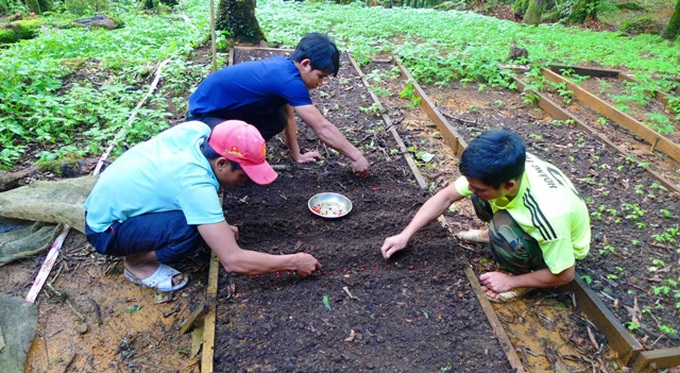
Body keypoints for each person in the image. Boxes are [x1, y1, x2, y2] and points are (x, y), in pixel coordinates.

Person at [84, 120, 321, 292]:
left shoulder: (197, 131)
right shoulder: (195, 185)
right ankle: (137, 264)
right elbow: (233, 261)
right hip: (106, 230)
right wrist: (294, 261)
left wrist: (221, 227)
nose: (245, 181)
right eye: (243, 175)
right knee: (190, 231)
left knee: (203, 225)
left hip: (108, 204)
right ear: (221, 163)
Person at [380, 130, 590, 302]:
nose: (471, 188)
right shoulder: (505, 169)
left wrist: (510, 283)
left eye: (479, 187)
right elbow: (446, 196)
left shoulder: (549, 215)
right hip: (529, 216)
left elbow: (565, 275)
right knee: (481, 200)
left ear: (509, 185)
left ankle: (524, 275)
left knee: (502, 227)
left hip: (560, 245)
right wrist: (405, 235)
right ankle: (494, 234)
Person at [187, 32, 369, 177]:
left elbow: (289, 117)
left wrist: (297, 155)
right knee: (265, 124)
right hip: (202, 118)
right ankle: (224, 164)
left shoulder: (286, 69)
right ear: (305, 64)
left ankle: (243, 158)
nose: (321, 83)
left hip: (223, 112)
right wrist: (356, 155)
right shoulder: (288, 80)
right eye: (320, 76)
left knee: (277, 119)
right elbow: (321, 127)